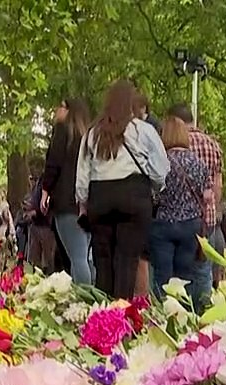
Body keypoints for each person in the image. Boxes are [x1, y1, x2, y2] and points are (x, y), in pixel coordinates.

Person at [76, 79, 167, 300]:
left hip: (101, 197)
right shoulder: (142, 130)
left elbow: (82, 174)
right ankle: (121, 314)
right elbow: (161, 168)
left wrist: (83, 201)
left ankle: (101, 313)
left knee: (103, 260)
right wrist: (154, 185)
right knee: (127, 260)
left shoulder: (92, 134)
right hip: (133, 195)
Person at [150, 115, 211, 307]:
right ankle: (184, 313)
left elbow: (155, 195)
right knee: (185, 276)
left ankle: (161, 315)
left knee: (162, 276)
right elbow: (206, 194)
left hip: (163, 224)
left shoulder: (161, 162)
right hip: (191, 225)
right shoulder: (198, 163)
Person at [167, 103, 224, 301]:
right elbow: (217, 185)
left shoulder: (173, 145)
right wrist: (213, 211)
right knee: (202, 270)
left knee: (177, 273)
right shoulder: (212, 144)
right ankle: (203, 310)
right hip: (205, 220)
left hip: (176, 217)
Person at [42, 97, 92, 284]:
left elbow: (53, 163)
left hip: (66, 201)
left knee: (77, 257)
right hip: (87, 201)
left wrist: (46, 190)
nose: (57, 110)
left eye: (61, 106)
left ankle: (84, 300)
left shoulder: (63, 131)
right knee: (85, 257)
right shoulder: (89, 136)